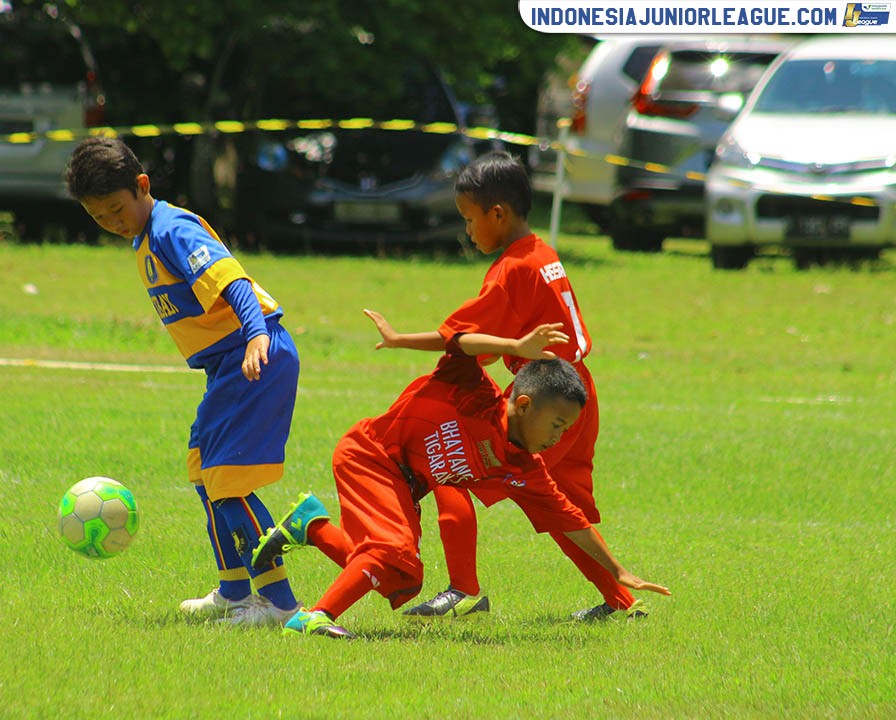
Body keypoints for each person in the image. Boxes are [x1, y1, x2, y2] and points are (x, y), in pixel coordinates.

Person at [249, 325, 670, 638]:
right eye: (557, 425)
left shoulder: (523, 468)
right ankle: (313, 618)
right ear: (523, 405)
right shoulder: (474, 392)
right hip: (370, 454)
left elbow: (571, 520)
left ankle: (312, 525)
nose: (559, 437)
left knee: (402, 580)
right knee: (393, 552)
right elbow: (462, 343)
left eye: (566, 430)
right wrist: (514, 348)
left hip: (404, 486)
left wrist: (618, 571)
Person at [364, 150, 641, 622]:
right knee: (563, 503)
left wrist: (398, 339)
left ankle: (462, 590)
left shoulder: (512, 268)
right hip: (575, 391)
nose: (468, 231)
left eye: (470, 219)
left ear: (498, 213)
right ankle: (621, 600)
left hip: (545, 399)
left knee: (451, 467)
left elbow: (461, 340)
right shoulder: (543, 252)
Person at [65, 136, 301, 626]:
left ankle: (279, 604)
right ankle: (234, 591)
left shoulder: (172, 228)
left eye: (115, 209)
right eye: (99, 217)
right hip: (227, 366)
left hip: (254, 354)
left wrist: (255, 334)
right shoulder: (144, 237)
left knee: (226, 483)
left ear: (142, 186)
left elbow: (231, 280)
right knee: (203, 473)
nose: (112, 222)